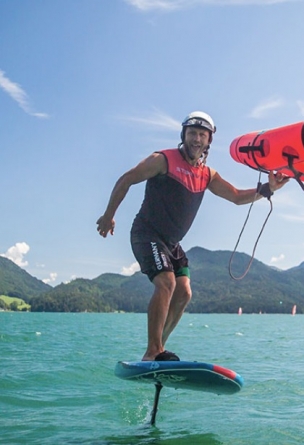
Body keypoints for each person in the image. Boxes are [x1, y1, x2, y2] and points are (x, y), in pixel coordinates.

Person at [96, 111, 287, 361]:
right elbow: (127, 179)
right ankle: (153, 351)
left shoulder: (207, 174)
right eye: (192, 133)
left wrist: (268, 189)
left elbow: (238, 197)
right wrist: (109, 215)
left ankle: (158, 349)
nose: (197, 139)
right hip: (147, 234)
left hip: (172, 244)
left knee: (184, 292)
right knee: (166, 283)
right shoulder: (163, 160)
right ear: (184, 135)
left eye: (202, 135)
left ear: (209, 141)